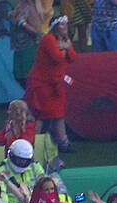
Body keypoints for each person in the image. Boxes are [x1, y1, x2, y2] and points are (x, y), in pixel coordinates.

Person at [26, 14, 78, 153]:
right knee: (40, 115)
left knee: (58, 113)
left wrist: (64, 47)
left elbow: (73, 57)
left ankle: (62, 141)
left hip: (56, 83)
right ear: (55, 27)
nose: (65, 27)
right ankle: (32, 143)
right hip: (42, 83)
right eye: (62, 25)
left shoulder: (64, 39)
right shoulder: (48, 39)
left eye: (66, 24)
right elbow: (57, 58)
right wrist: (64, 48)